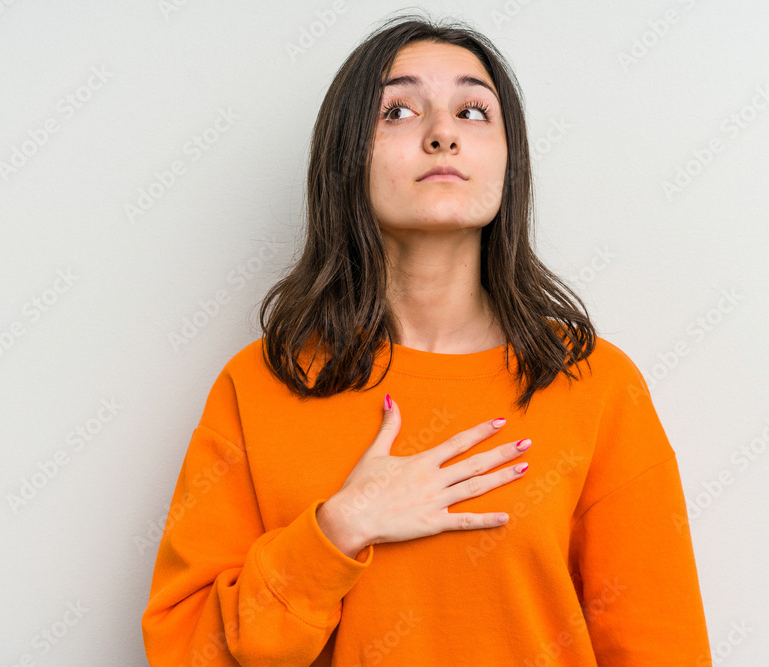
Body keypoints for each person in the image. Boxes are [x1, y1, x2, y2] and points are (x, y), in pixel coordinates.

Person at [141, 12, 712, 666]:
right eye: (399, 112)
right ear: (346, 156)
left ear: (508, 160)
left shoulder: (595, 384)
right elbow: (187, 650)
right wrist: (339, 528)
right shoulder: (262, 382)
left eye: (473, 112)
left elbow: (662, 649)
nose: (443, 134)